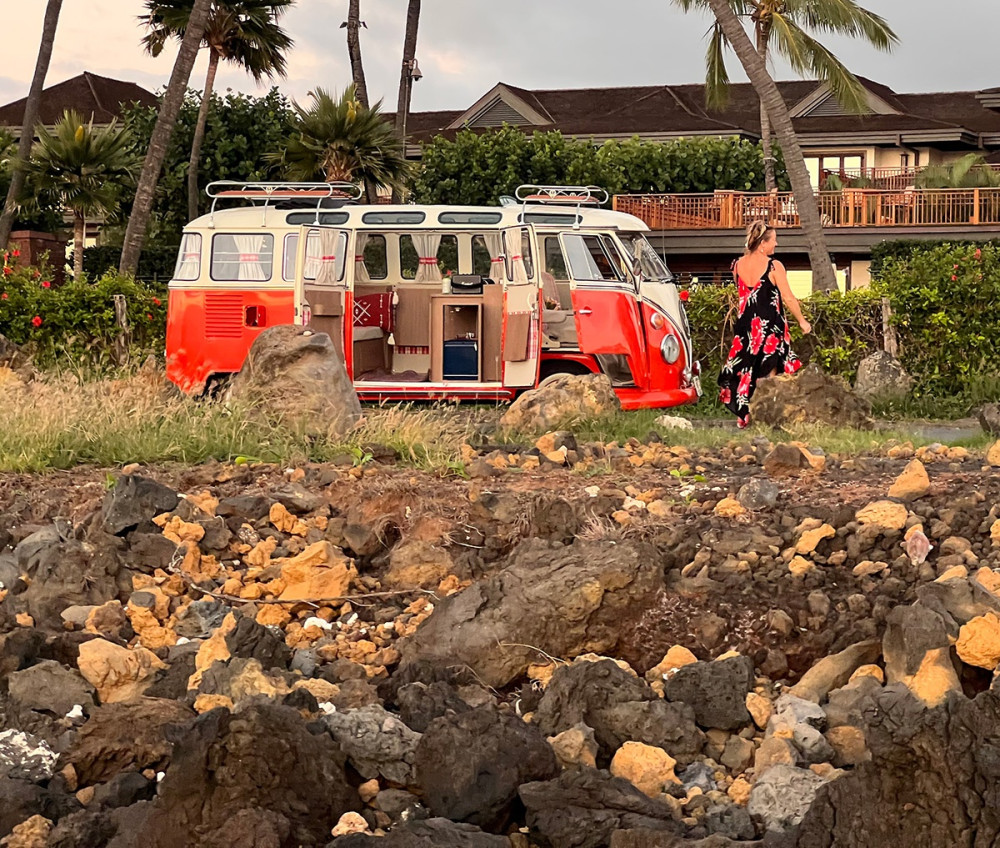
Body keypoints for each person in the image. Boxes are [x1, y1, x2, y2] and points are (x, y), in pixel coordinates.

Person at [717, 222, 812, 429]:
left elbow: (745, 296)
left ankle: (745, 415)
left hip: (745, 326)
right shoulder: (774, 266)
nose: (776, 244)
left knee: (746, 368)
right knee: (770, 370)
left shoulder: (737, 265)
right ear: (762, 244)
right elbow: (787, 297)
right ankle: (767, 415)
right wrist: (802, 321)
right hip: (769, 326)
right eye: (773, 240)